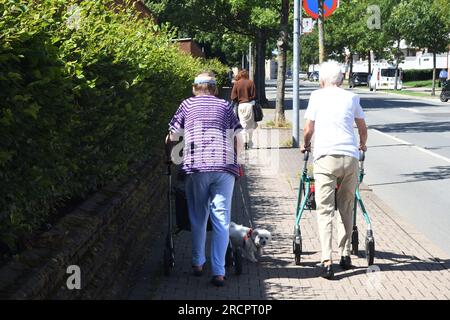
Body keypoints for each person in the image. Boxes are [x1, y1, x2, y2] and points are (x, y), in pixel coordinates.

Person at [166, 72, 243, 287]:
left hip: (197, 167)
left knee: (198, 217)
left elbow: (172, 136)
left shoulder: (187, 105)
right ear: (215, 89)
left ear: (194, 88)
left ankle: (198, 263)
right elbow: (238, 137)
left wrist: (169, 155)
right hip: (224, 166)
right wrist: (239, 164)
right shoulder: (226, 106)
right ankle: (219, 272)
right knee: (221, 220)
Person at [301, 61, 368, 280]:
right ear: (340, 78)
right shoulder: (352, 97)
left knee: (325, 210)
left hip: (325, 158)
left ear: (322, 79)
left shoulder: (317, 97)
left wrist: (305, 144)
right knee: (347, 207)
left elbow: (309, 128)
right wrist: (362, 145)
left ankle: (327, 260)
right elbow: (362, 127)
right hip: (350, 158)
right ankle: (345, 253)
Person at [231, 69, 257, 150]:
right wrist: (249, 98)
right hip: (250, 105)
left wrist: (238, 100)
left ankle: (244, 143)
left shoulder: (237, 83)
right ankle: (250, 141)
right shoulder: (251, 82)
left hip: (241, 106)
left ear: (239, 75)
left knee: (243, 124)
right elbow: (254, 95)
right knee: (250, 125)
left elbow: (233, 97)